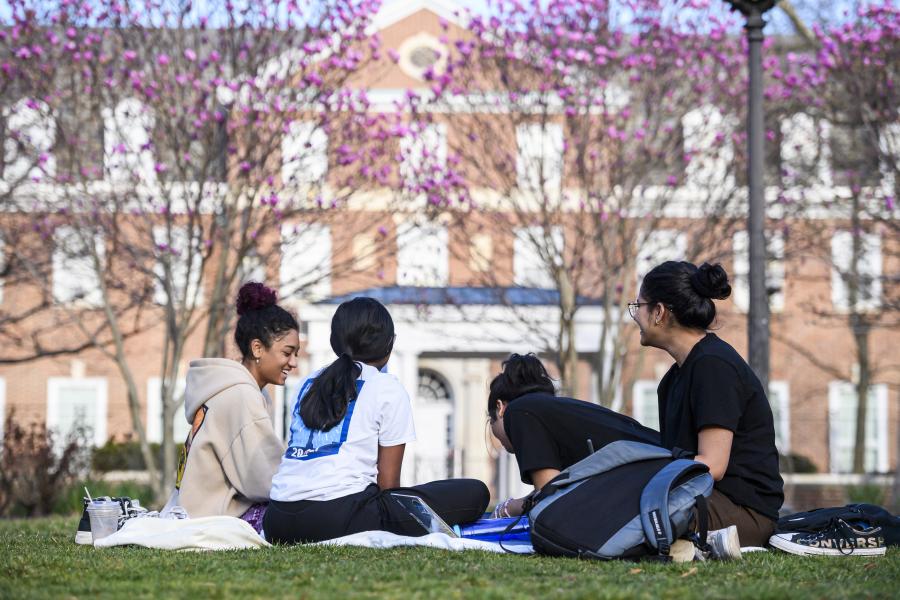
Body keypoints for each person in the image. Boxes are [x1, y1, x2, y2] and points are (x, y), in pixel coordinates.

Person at [264, 297, 489, 544]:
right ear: (388, 344)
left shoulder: (308, 383)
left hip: (278, 520)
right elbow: (388, 485)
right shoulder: (386, 386)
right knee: (475, 492)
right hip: (338, 518)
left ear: (334, 341)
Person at [629, 261, 784, 548]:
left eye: (638, 306)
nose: (635, 315)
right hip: (699, 498)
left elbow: (712, 465)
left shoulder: (713, 366)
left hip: (743, 512)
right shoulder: (673, 379)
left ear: (659, 312)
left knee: (628, 511)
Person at [164, 282, 298, 533]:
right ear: (257, 348)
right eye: (287, 353)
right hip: (212, 517)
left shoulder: (228, 388)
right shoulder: (241, 395)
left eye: (296, 354)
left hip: (191, 509)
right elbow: (267, 480)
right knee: (301, 512)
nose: (293, 363)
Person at [487, 353, 660, 518]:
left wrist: (507, 509)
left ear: (500, 408)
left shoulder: (520, 411)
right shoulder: (554, 409)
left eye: (490, 419)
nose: (494, 433)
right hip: (662, 475)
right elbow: (555, 490)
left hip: (657, 487)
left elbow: (550, 499)